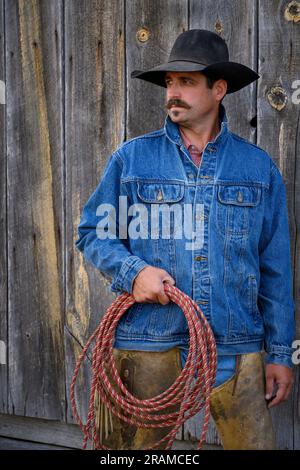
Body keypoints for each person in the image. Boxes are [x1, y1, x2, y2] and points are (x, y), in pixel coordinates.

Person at [75, 29, 295, 450]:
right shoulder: (132, 159)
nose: (173, 92)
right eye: (170, 82)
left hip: (236, 346)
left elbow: (275, 269)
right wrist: (133, 273)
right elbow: (93, 232)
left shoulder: (257, 168)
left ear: (219, 89)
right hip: (150, 341)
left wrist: (281, 354)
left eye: (187, 82)